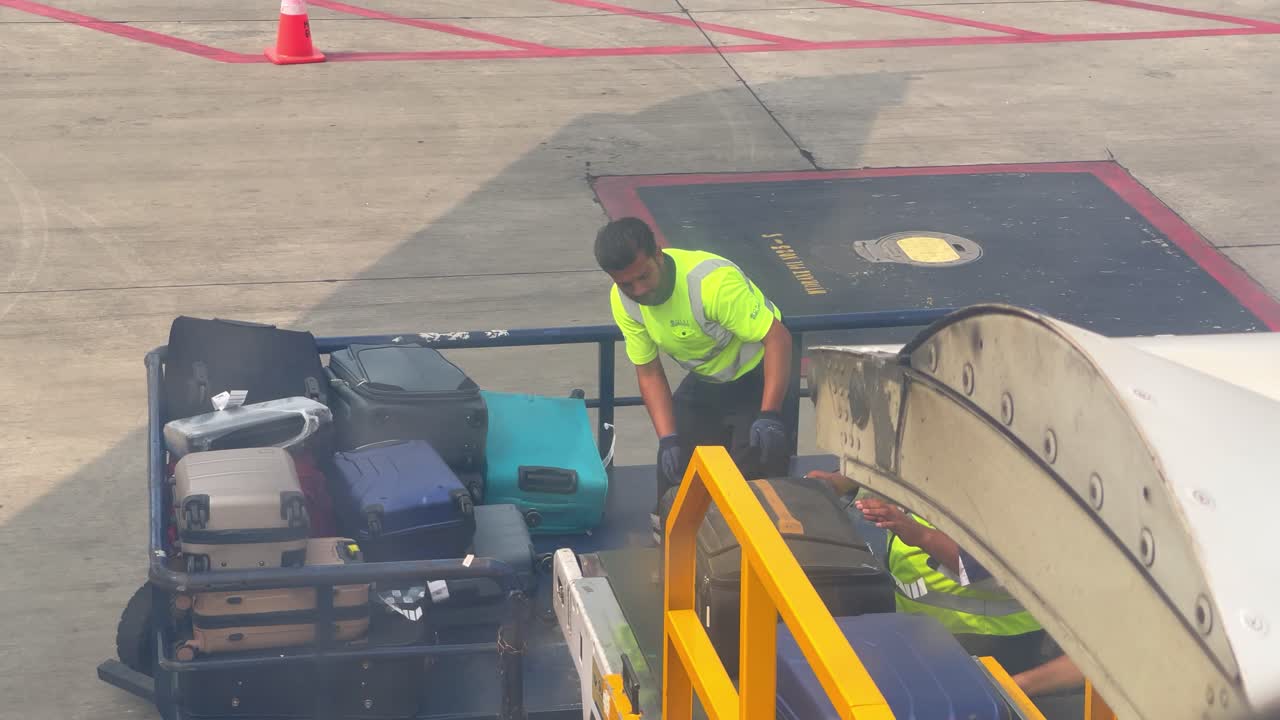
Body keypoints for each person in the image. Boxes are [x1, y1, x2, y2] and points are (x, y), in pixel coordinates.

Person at [594, 217, 797, 543]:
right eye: (626, 284)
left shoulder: (711, 283)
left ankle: (739, 561)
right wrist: (667, 439)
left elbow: (778, 339)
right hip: (707, 380)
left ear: (658, 254)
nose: (639, 291)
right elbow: (648, 371)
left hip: (760, 376)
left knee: (751, 484)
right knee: (674, 478)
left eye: (643, 276)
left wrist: (771, 414)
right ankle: (673, 554)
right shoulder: (625, 302)